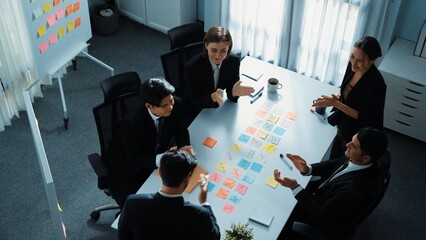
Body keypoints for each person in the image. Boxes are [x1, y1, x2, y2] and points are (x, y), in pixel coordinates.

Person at [274, 127, 388, 237]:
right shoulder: (359, 160)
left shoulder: (352, 191)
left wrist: (295, 187)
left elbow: (321, 215)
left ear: (366, 158)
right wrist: (308, 169)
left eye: (353, 145)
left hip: (318, 215)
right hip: (325, 194)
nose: (347, 144)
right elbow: (333, 164)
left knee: (278, 207)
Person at [106, 77, 194, 209]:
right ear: (149, 106)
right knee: (144, 210)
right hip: (132, 169)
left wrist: (183, 147)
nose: (170, 106)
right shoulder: (131, 123)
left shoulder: (176, 104)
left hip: (157, 156)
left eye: (171, 100)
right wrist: (164, 158)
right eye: (164, 105)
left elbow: (181, 130)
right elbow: (135, 158)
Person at [118, 150, 220, 240]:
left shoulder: (133, 203)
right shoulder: (200, 215)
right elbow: (215, 236)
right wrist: (204, 202)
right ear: (187, 178)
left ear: (159, 172)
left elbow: (123, 236)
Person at [313, 36, 387, 159]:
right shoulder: (353, 65)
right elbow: (349, 92)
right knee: (335, 154)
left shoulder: (377, 85)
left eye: (360, 60)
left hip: (359, 133)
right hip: (344, 122)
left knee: (345, 162)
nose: (353, 64)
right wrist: (336, 99)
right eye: (352, 56)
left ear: (372, 61)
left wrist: (335, 104)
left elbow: (363, 116)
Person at [183, 25, 254, 126]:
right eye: (214, 50)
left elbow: (231, 92)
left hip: (217, 111)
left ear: (229, 48)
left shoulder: (233, 61)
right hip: (198, 112)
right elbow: (193, 101)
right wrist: (212, 97)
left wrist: (234, 92)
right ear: (206, 45)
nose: (218, 56)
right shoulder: (192, 67)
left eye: (223, 51)